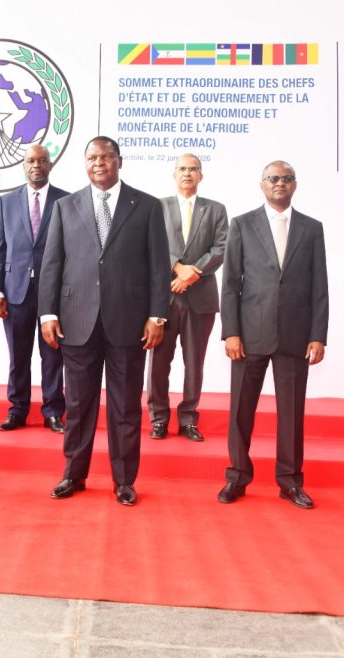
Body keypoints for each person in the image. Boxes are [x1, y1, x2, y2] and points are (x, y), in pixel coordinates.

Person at [38, 136, 170, 506]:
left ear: (119, 161)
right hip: (76, 321)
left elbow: (159, 266)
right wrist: (48, 313)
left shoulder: (146, 206)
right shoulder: (65, 206)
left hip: (129, 322)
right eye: (92, 157)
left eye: (106, 157)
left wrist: (157, 316)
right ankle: (73, 474)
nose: (99, 163)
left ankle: (124, 481)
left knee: (125, 406)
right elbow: (52, 263)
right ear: (85, 163)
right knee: (78, 405)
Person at [218, 160, 328, 509]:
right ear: (262, 184)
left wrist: (318, 335)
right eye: (273, 178)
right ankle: (237, 477)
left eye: (286, 178)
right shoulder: (242, 224)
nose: (280, 183)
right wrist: (231, 332)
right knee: (241, 411)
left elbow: (319, 287)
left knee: (291, 414)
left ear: (295, 184)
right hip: (249, 335)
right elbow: (230, 283)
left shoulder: (312, 228)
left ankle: (290, 482)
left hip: (296, 336)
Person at [147, 154, 228, 443]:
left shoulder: (216, 209)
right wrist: (176, 266)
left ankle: (188, 419)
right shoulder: (158, 207)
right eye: (182, 168)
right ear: (174, 174)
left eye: (193, 169)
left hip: (201, 298)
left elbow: (221, 247)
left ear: (200, 176)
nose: (187, 173)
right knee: (158, 363)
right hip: (164, 298)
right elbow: (150, 244)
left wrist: (192, 274)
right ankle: (158, 418)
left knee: (195, 364)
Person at [0, 144, 69, 433]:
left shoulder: (66, 201)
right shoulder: (6, 202)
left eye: (42, 160)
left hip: (54, 293)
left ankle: (53, 412)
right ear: (23, 166)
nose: (36, 165)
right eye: (30, 161)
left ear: (51, 165)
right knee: (18, 356)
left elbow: (72, 251)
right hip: (15, 292)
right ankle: (17, 410)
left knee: (53, 355)